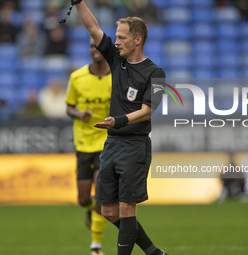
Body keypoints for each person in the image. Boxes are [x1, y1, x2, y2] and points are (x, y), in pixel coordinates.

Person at [72, 1, 167, 254]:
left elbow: (148, 111)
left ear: (137, 39)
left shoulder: (156, 73)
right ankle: (153, 252)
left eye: (122, 38)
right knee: (108, 211)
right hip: (112, 144)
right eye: (116, 37)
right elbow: (93, 28)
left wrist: (119, 120)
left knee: (126, 209)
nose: (116, 42)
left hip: (135, 145)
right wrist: (79, 3)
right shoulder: (116, 60)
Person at [65, 38, 111, 255]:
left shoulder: (117, 77)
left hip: (106, 142)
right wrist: (79, 114)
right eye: (92, 46)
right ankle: (89, 209)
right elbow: (68, 107)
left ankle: (96, 246)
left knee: (101, 193)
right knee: (84, 198)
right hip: (83, 142)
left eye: (99, 46)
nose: (95, 50)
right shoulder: (77, 77)